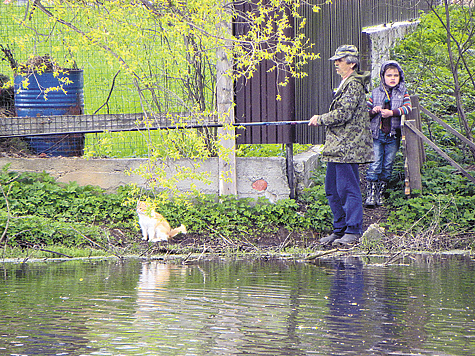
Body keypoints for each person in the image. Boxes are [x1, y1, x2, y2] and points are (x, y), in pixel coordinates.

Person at [309, 45, 374, 247]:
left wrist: (320, 119)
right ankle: (340, 230)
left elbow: (343, 114)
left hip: (348, 148)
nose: (336, 64)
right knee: (332, 189)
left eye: (340, 60)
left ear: (351, 63)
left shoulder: (353, 85)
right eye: (336, 60)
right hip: (336, 148)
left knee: (347, 189)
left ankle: (353, 230)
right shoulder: (346, 83)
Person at [364, 60, 412, 207]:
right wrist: (373, 111)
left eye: (395, 75)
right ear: (382, 76)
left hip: (393, 135)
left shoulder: (402, 92)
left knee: (388, 164)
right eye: (389, 75)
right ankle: (370, 194)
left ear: (400, 77)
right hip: (377, 135)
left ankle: (380, 193)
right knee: (375, 163)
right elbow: (365, 113)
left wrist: (392, 113)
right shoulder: (376, 93)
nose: (392, 78)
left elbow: (407, 108)